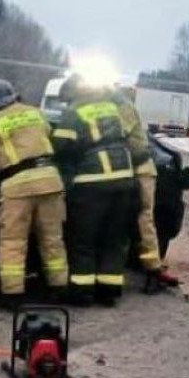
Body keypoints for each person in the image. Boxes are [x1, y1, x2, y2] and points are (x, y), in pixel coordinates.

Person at [0, 77, 68, 309]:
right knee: (52, 239)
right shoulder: (35, 113)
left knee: (13, 241)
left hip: (17, 185)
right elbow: (49, 138)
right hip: (49, 181)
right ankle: (59, 289)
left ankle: (12, 296)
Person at [51, 75, 138, 307]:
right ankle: (108, 291)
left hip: (93, 181)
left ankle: (82, 293)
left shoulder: (74, 111)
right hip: (124, 179)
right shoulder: (110, 107)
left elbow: (60, 146)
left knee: (84, 239)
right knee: (114, 238)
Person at [115, 87, 181, 294]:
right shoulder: (113, 106)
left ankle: (153, 269)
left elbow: (115, 136)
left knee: (144, 218)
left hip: (141, 170)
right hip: (125, 169)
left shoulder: (123, 108)